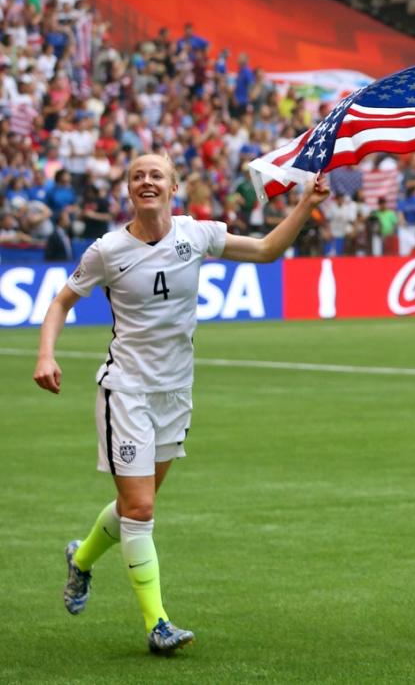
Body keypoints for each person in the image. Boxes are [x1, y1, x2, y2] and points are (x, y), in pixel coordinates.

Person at [33, 153, 330, 655]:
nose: (146, 181)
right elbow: (62, 300)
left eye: (155, 175)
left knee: (136, 503)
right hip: (125, 390)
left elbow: (264, 250)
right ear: (128, 190)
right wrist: (46, 354)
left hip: (175, 392)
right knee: (141, 507)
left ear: (173, 186)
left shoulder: (198, 234)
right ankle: (158, 624)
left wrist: (305, 203)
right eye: (136, 176)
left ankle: (81, 560)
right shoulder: (107, 250)